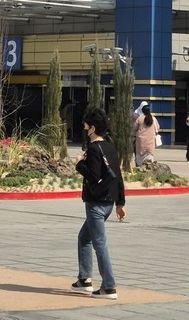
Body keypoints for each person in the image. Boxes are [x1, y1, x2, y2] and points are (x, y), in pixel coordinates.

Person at [72, 107, 126, 301]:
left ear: (93, 128)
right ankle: (84, 279)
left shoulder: (94, 149)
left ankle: (109, 286)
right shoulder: (110, 147)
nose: (85, 130)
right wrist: (120, 203)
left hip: (96, 204)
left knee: (99, 244)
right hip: (108, 203)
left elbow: (93, 176)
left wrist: (79, 164)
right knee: (84, 237)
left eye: (86, 126)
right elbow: (118, 177)